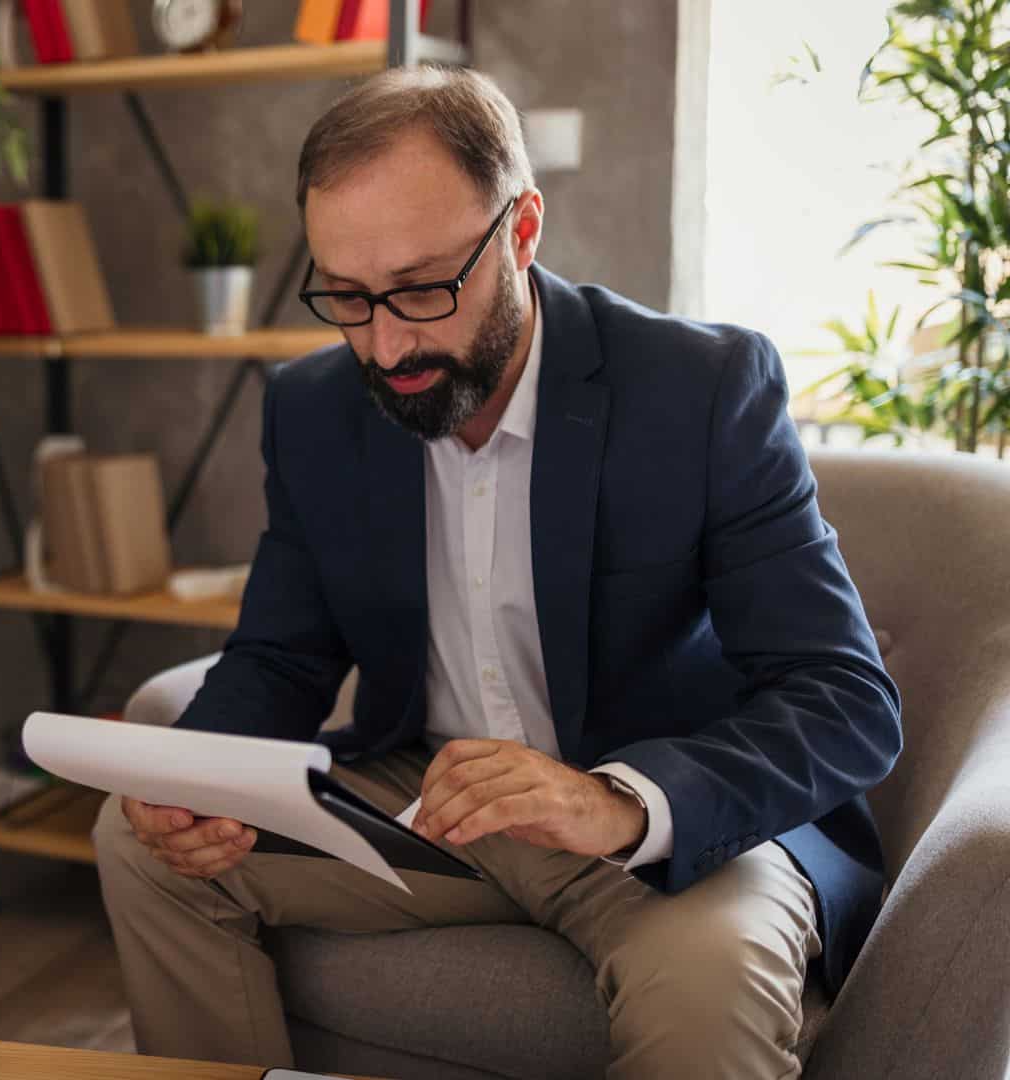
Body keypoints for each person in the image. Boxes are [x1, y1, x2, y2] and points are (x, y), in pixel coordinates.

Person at [93, 65, 900, 1079]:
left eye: (425, 288)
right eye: (346, 297)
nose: (386, 347)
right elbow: (280, 657)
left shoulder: (698, 390)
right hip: (426, 799)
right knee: (139, 850)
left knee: (711, 979)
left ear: (522, 232)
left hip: (644, 815)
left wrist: (618, 802)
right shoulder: (313, 409)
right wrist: (193, 776)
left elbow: (845, 699)